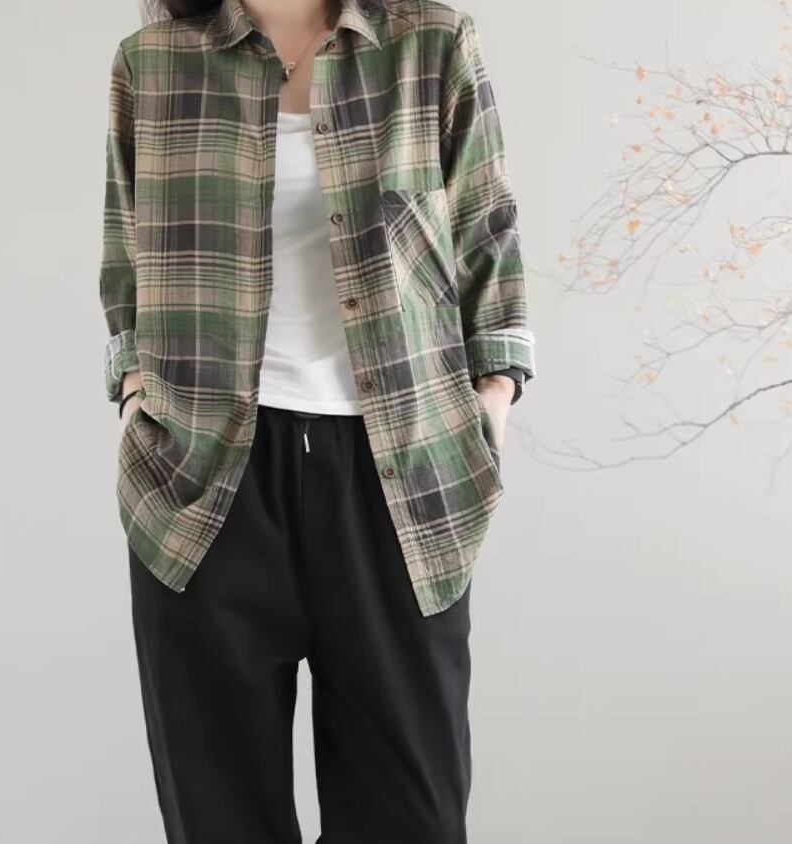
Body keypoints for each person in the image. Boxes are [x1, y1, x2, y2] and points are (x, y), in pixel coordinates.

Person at [98, 0, 536, 840]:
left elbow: (488, 231)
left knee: (412, 820)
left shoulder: (431, 44)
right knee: (220, 822)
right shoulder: (152, 62)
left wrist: (493, 399)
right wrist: (134, 398)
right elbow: (127, 253)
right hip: (206, 481)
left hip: (397, 477)